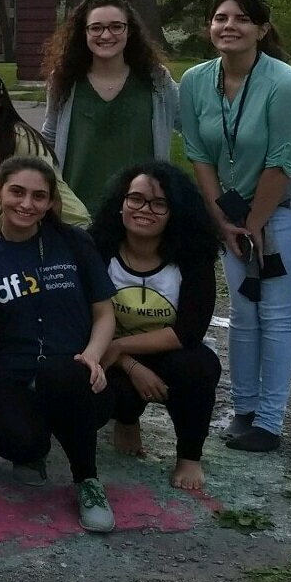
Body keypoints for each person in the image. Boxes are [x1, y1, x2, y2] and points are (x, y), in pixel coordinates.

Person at [180, 0, 291, 452]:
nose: (229, 26)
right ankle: (243, 409)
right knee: (244, 311)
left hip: (286, 206)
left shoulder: (284, 82)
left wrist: (254, 225)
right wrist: (222, 221)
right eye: (220, 18)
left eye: (241, 19)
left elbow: (281, 160)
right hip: (231, 210)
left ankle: (269, 421)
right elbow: (199, 155)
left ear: (261, 29)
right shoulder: (195, 81)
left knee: (274, 310)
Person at [0, 157, 118, 533]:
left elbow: (104, 313)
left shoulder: (74, 243)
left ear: (50, 203)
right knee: (16, 443)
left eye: (39, 196)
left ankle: (87, 480)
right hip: (15, 375)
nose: (26, 204)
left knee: (59, 371)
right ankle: (35, 447)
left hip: (73, 372)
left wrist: (94, 356)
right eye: (17, 192)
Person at [88, 163, 222, 491]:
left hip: (166, 351)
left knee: (199, 366)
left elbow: (188, 332)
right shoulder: (97, 248)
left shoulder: (193, 257)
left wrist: (122, 347)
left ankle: (189, 456)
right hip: (108, 353)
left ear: (175, 212)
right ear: (120, 204)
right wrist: (129, 364)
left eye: (159, 204)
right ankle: (126, 416)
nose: (144, 210)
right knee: (89, 378)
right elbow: (82, 323)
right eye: (135, 199)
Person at [41, 0, 179, 215]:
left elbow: (190, 124)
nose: (106, 35)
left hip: (140, 210)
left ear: (129, 30)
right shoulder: (65, 80)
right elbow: (49, 135)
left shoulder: (156, 80)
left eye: (116, 26)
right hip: (76, 211)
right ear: (83, 33)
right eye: (96, 28)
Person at [0, 64, 88, 243]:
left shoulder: (20, 137)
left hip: (64, 231)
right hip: (13, 241)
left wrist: (34, 252)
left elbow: (54, 201)